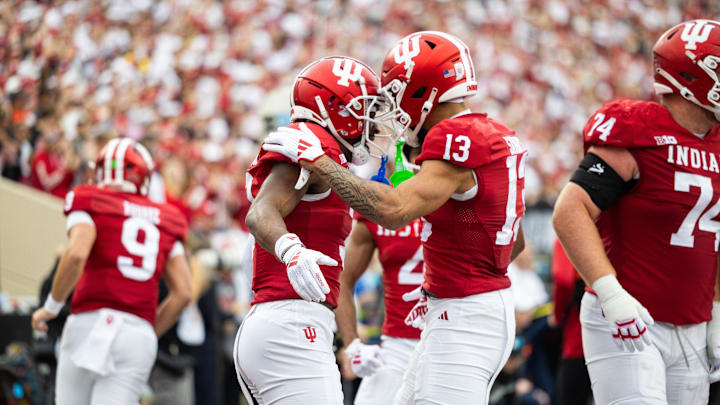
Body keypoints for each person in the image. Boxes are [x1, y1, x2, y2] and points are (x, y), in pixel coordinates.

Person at [262, 31, 526, 405]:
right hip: (469, 309)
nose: (392, 106)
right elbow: (515, 241)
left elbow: (393, 210)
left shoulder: (454, 137)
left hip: (464, 319)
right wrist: (447, 285)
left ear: (423, 92)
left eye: (397, 92)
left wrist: (318, 160)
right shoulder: (494, 133)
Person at [552, 19, 720, 404]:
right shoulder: (638, 130)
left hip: (693, 324)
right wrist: (611, 293)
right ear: (691, 77)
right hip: (629, 318)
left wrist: (717, 308)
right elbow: (570, 210)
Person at [234, 56, 389, 405]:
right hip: (289, 326)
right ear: (334, 107)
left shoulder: (325, 154)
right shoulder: (309, 143)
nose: (372, 124)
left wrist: (350, 342)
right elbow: (261, 214)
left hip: (288, 322)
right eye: (364, 110)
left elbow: (330, 272)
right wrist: (290, 250)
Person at [31, 137, 192, 405]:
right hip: (136, 331)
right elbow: (184, 293)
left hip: (89, 320)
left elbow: (77, 253)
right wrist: (148, 330)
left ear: (100, 170)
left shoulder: (88, 198)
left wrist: (52, 305)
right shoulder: (168, 217)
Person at [336, 145, 424, 405]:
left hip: (446, 338)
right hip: (397, 343)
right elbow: (342, 280)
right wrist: (351, 344)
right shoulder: (377, 212)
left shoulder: (456, 199)